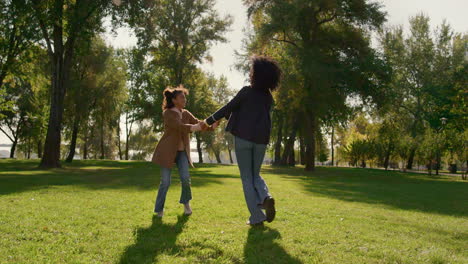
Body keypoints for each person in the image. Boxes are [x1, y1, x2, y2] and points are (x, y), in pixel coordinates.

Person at [202, 55, 282, 226]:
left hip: (243, 138)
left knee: (246, 177)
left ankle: (257, 216)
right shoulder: (268, 98)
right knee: (255, 175)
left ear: (256, 75)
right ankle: (265, 197)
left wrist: (208, 120)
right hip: (261, 140)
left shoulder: (246, 91)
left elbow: (229, 107)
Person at [151, 85, 219, 218]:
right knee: (165, 182)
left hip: (182, 153)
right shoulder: (168, 113)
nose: (185, 100)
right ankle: (159, 209)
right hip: (167, 152)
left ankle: (186, 204)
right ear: (175, 100)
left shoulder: (186, 113)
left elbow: (198, 123)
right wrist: (194, 127)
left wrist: (211, 126)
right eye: (182, 97)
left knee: (186, 179)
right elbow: (179, 126)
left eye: (185, 97)